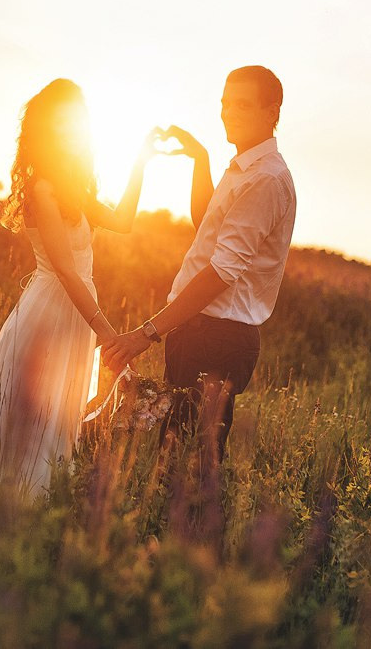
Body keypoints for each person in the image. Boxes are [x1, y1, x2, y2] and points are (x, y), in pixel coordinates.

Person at [0, 78, 161, 500]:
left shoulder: (73, 190)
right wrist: (108, 335)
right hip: (50, 312)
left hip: (76, 313)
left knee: (58, 419)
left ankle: (35, 508)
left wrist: (141, 161)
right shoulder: (43, 189)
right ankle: (7, 508)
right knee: (35, 418)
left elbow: (123, 220)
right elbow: (67, 272)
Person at [101, 65, 296, 464]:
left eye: (242, 105)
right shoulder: (243, 169)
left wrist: (146, 333)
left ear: (272, 112)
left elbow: (223, 271)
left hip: (216, 339)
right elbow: (207, 222)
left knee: (187, 468)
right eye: (225, 103)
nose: (229, 113)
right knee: (177, 459)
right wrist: (200, 158)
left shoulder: (264, 179)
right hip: (199, 333)